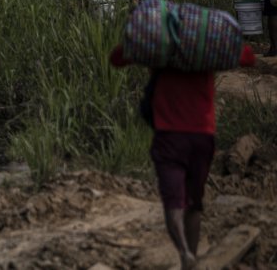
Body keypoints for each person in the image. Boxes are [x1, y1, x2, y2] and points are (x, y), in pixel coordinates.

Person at [110, 41, 257, 270]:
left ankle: (183, 252)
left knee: (173, 202)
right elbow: (248, 57)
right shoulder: (204, 47)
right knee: (194, 203)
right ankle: (192, 257)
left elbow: (117, 58)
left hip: (169, 137)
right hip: (202, 137)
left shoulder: (158, 47)